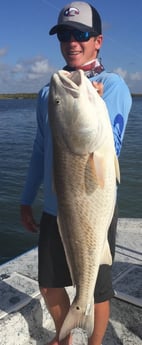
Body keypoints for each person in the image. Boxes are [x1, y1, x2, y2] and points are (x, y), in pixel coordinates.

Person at [20, 2, 132, 345]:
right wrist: (26, 198)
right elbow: (41, 150)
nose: (73, 42)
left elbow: (107, 147)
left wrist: (94, 103)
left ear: (97, 40)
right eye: (65, 35)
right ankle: (65, 336)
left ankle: (95, 342)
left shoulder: (111, 87)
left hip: (93, 209)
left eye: (81, 34)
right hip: (56, 209)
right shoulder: (49, 91)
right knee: (48, 282)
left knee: (96, 288)